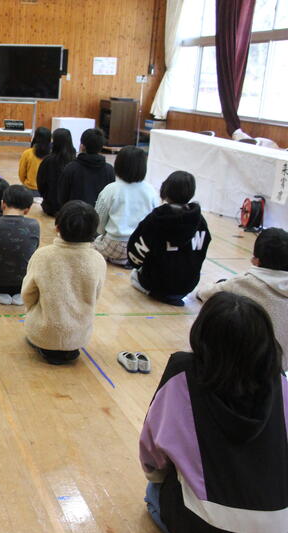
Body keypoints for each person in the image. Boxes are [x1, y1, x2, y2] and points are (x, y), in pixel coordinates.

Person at [140, 292, 288, 533]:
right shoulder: (278, 378)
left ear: (202, 333)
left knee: (155, 489)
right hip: (279, 525)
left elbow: (152, 448)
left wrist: (157, 476)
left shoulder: (184, 370)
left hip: (206, 523)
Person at [22, 200, 106, 364]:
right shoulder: (97, 259)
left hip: (43, 333)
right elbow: (95, 296)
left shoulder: (43, 256)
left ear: (57, 227)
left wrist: (32, 311)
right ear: (94, 231)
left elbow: (27, 294)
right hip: (79, 336)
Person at [197, 227, 288, 363]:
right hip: (280, 368)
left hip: (243, 365)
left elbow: (204, 294)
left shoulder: (244, 282)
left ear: (256, 260)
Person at [128, 171, 211, 307]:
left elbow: (135, 253)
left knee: (134, 274)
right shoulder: (200, 221)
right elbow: (201, 254)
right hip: (187, 286)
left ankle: (155, 291)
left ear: (166, 189)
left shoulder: (157, 218)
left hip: (156, 284)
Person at [93, 146, 158, 266]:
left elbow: (99, 220)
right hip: (140, 245)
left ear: (118, 165)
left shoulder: (111, 189)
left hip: (114, 243)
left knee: (92, 245)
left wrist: (101, 233)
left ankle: (116, 258)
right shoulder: (151, 191)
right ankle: (127, 260)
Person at [0, 185, 40, 305]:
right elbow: (33, 251)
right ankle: (20, 293)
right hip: (23, 282)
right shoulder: (34, 225)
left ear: (2, 204)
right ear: (28, 209)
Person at [56, 128, 114, 208]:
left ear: (82, 146)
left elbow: (62, 197)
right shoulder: (110, 170)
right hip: (99, 214)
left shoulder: (70, 168)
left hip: (74, 213)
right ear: (101, 147)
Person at [37, 128, 76, 216]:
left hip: (50, 207)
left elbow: (40, 183)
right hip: (70, 208)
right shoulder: (75, 161)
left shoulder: (48, 160)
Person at [17, 126, 51, 194]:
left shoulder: (27, 153)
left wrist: (26, 183)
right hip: (47, 191)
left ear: (35, 138)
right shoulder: (52, 155)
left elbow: (21, 174)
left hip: (29, 189)